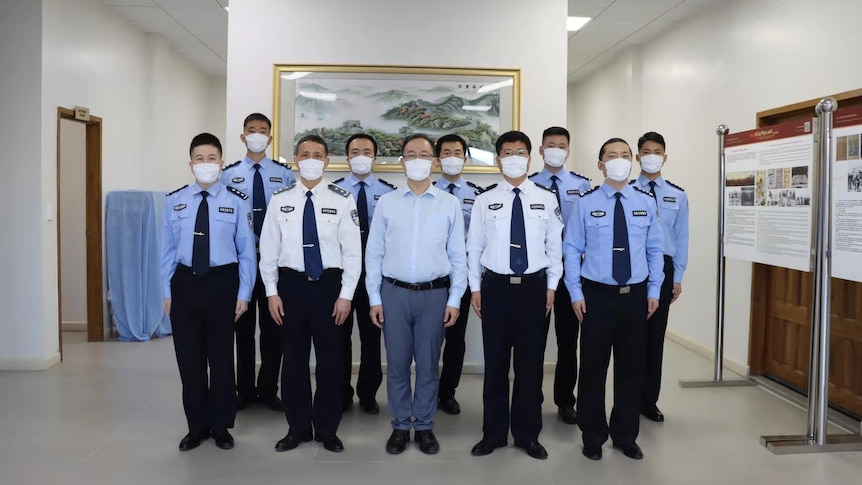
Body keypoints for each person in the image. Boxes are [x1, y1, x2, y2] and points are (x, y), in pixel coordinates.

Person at [365, 133, 467, 455]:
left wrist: (454, 299)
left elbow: (459, 257)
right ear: (402, 161)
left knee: (427, 364)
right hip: (394, 293)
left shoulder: (449, 204)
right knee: (396, 364)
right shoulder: (386, 203)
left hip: (434, 295)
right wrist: (374, 298)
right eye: (411, 154)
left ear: (434, 160)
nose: (418, 160)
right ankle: (399, 425)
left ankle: (423, 425)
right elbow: (374, 254)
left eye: (424, 154)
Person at [259, 134, 361, 453]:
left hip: (330, 288)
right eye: (305, 153)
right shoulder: (280, 199)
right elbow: (268, 251)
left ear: (327, 161)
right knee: (293, 361)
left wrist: (346, 295)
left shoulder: (342, 199)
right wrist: (272, 293)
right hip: (290, 288)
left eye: (318, 154)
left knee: (331, 362)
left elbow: (353, 253)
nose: (311, 159)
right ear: (296, 159)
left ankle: (327, 429)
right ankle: (298, 427)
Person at [564, 137, 664, 461]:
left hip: (634, 297)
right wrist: (576, 292)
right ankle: (592, 435)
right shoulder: (585, 203)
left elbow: (653, 250)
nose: (619, 160)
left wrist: (653, 291)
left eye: (624, 155)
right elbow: (572, 250)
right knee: (592, 370)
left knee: (631, 370)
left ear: (631, 162)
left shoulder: (647, 202)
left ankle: (625, 435)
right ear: (600, 164)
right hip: (596, 297)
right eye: (612, 155)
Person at [468, 131, 563, 460]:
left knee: (530, 366)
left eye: (519, 151)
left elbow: (555, 247)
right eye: (506, 152)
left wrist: (551, 288)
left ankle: (527, 434)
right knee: (494, 365)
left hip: (534, 289)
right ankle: (493, 433)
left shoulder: (547, 198)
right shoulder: (485, 200)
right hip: (495, 288)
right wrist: (475, 289)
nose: (513, 156)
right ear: (497, 160)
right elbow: (473, 248)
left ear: (529, 158)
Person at [160, 133, 256, 451]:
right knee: (190, 360)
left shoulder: (236, 201)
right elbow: (166, 251)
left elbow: (247, 253)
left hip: (222, 283)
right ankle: (196, 426)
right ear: (191, 165)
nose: (206, 165)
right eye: (199, 159)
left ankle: (221, 425)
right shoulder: (175, 201)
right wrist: (166, 291)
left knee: (221, 358)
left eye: (211, 159)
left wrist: (244, 294)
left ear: (221, 163)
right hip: (185, 284)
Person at [220, 113, 295, 411]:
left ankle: (267, 389)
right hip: (241, 263)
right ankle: (244, 390)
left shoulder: (284, 174)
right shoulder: (228, 174)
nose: (257, 135)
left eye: (263, 131)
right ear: (242, 136)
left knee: (273, 327)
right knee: (243, 328)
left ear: (270, 138)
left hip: (274, 263)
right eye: (251, 130)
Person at [528, 126, 590, 425]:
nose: (556, 149)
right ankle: (532, 398)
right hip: (538, 272)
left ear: (568, 150)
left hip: (572, 271)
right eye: (550, 145)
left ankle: (565, 400)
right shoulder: (528, 185)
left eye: (561, 145)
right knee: (534, 340)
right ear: (541, 150)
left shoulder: (583, 185)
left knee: (568, 341)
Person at [333, 134, 396, 415]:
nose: (360, 155)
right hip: (341, 276)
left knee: (372, 339)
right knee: (338, 337)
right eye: (355, 151)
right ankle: (342, 393)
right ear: (347, 157)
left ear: (375, 157)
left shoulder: (388, 193)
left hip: (375, 276)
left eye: (366, 151)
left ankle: (368, 394)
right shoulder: (333, 191)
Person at [631, 131, 689, 423]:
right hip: (631, 268)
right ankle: (627, 396)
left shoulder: (677, 195)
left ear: (664, 157)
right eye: (646, 151)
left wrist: (677, 276)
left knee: (655, 338)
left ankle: (649, 400)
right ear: (638, 156)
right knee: (631, 336)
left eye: (657, 151)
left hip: (663, 269)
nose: (651, 156)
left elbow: (681, 238)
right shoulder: (627, 191)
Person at [432, 133, 484, 416]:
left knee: (455, 338)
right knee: (429, 338)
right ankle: (427, 390)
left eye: (458, 152)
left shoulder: (478, 194)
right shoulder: (425, 190)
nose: (452, 157)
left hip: (461, 276)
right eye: (446, 152)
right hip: (431, 276)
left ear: (464, 158)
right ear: (438, 159)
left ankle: (447, 392)